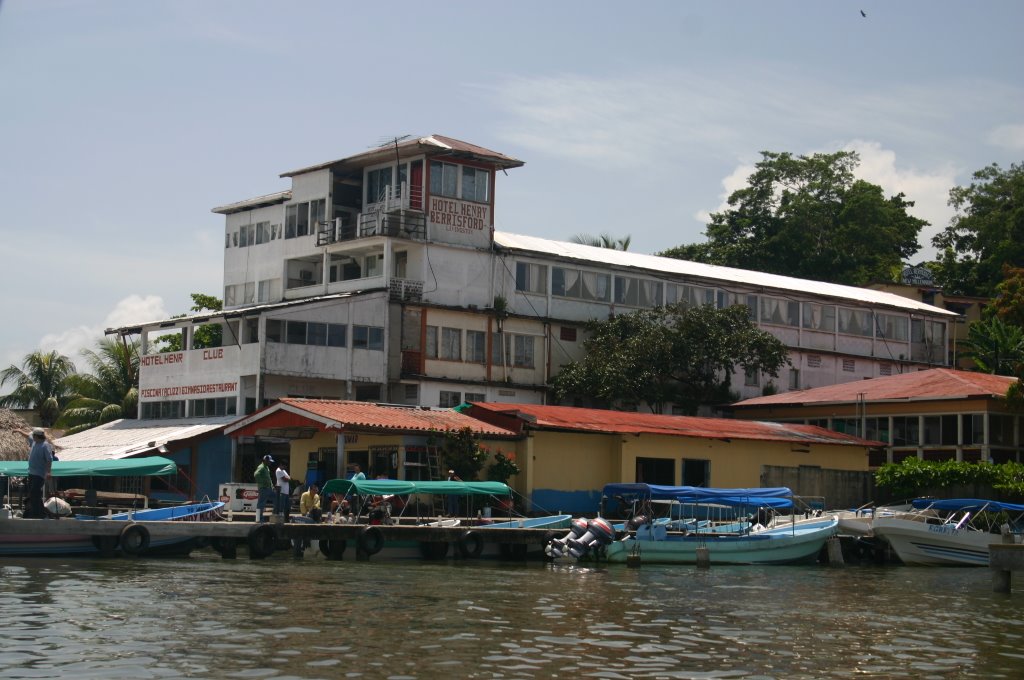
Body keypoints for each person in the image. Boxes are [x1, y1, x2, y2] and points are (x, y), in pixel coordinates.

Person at [26, 428, 53, 519]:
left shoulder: (45, 446)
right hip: (31, 473)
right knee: (32, 493)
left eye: (33, 435)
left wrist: (48, 472)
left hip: (39, 474)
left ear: (37, 436)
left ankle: (42, 514)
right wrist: (18, 431)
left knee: (35, 492)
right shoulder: (34, 442)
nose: (32, 437)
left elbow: (49, 460)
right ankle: (35, 513)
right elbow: (27, 436)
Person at [254, 455, 274, 523]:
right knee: (261, 504)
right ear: (265, 460)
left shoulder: (267, 468)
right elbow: (256, 474)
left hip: (268, 488)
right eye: (269, 461)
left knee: (276, 499)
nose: (270, 463)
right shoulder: (261, 467)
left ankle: (275, 515)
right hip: (263, 488)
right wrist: (262, 483)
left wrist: (272, 486)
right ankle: (259, 519)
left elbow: (269, 478)